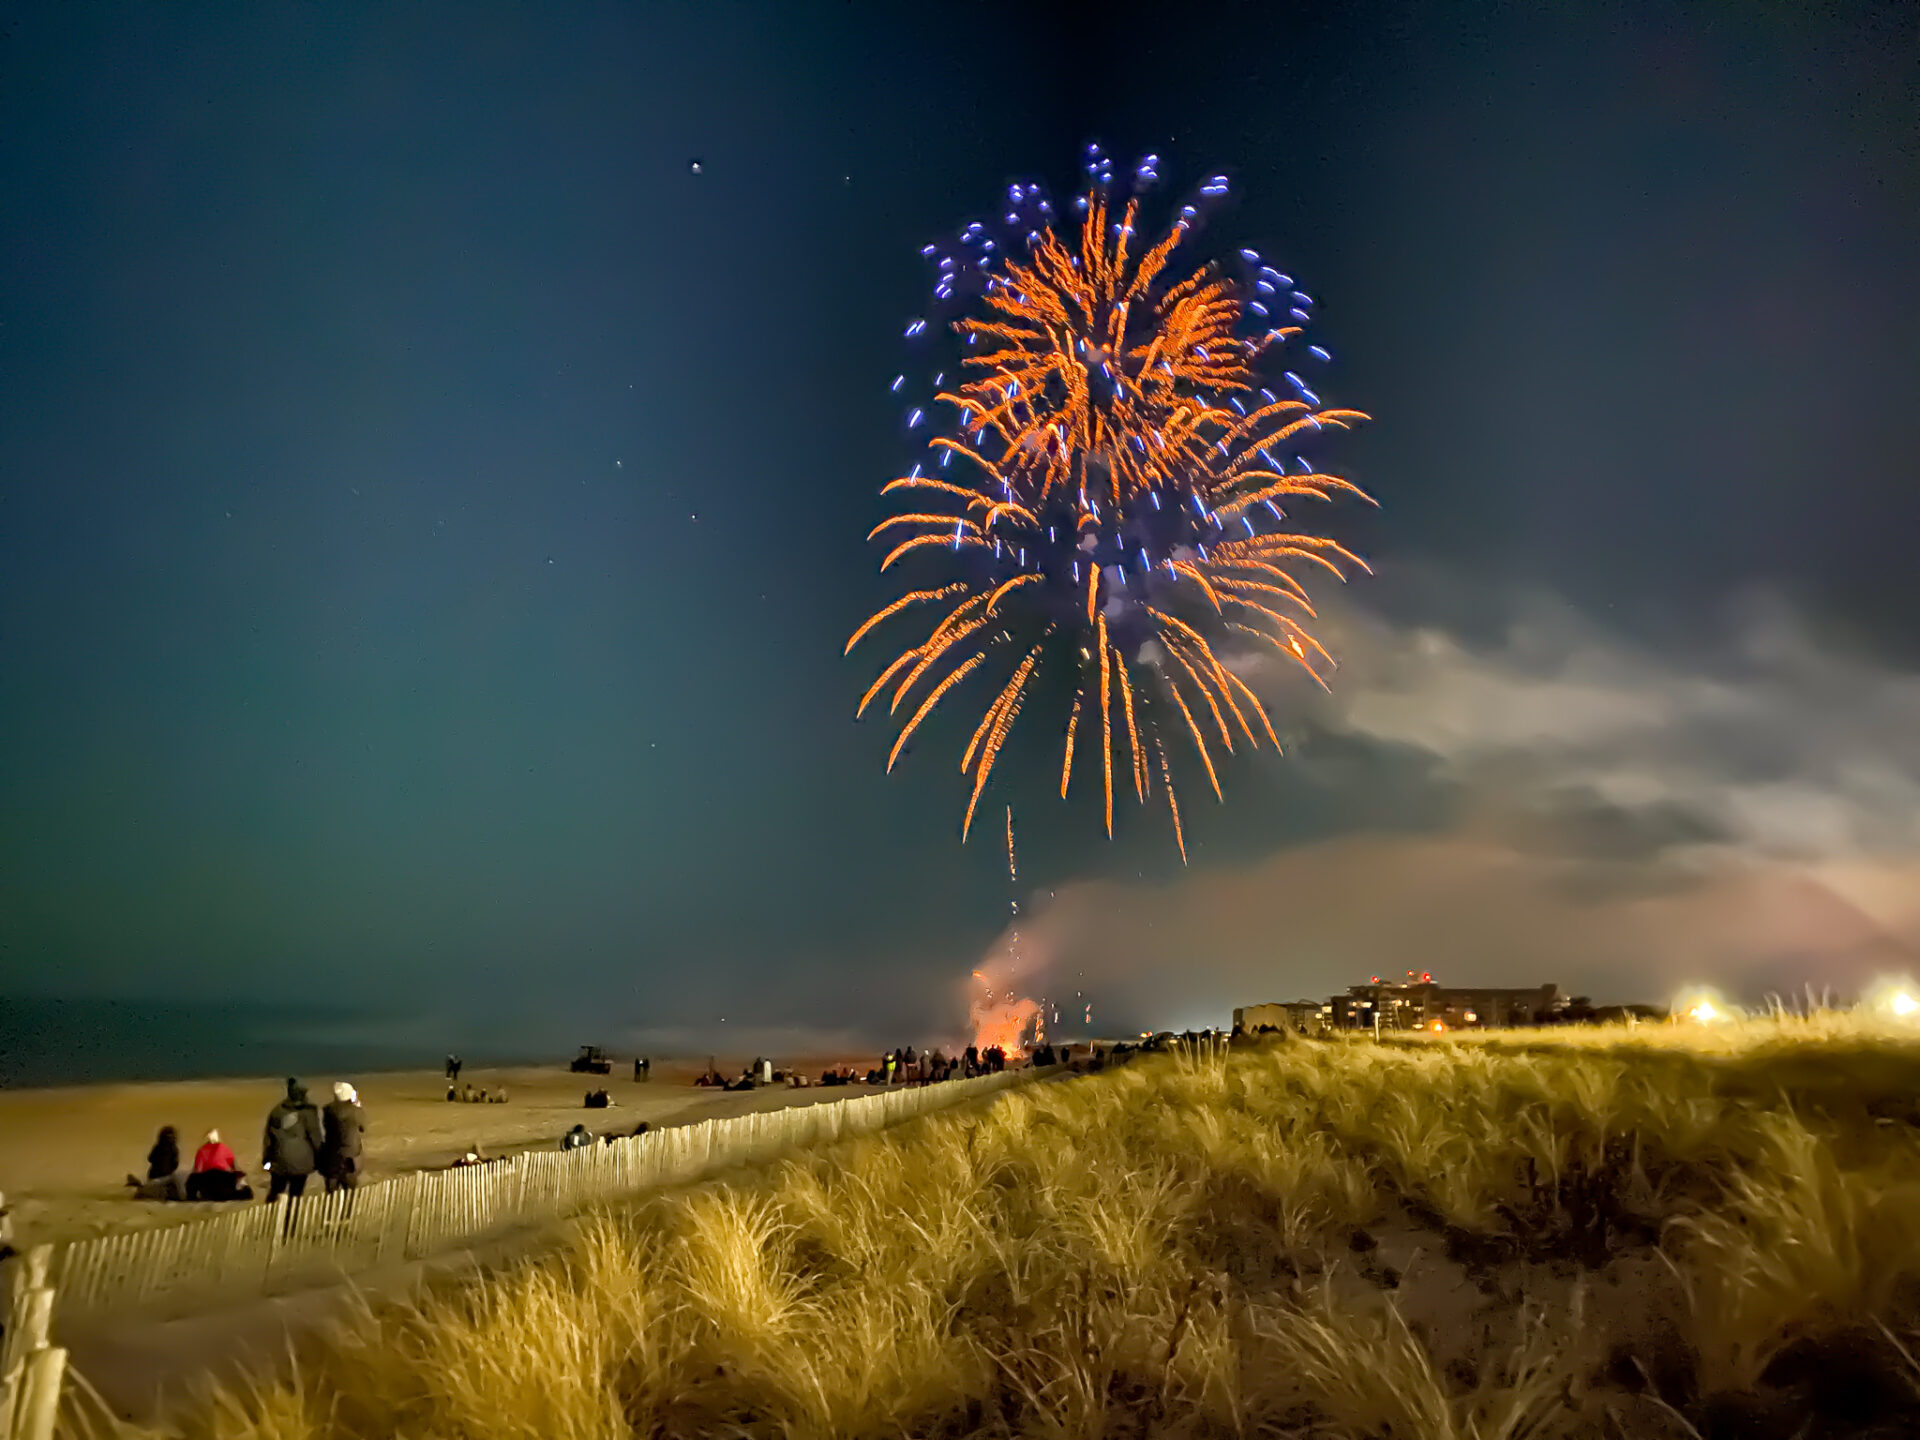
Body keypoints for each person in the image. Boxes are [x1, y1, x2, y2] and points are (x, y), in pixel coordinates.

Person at [262, 1077, 324, 1200]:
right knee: (296, 1193)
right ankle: (291, 1217)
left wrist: (267, 1159)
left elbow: (268, 1138)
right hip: (301, 1160)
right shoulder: (309, 1112)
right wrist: (321, 1158)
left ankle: (272, 1215)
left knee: (276, 1189)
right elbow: (315, 1137)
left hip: (279, 1159)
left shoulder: (277, 1111)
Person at [321, 1081, 365, 1193]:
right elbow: (363, 1127)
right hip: (351, 1158)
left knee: (331, 1193)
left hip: (332, 1156)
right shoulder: (355, 1111)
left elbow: (326, 1126)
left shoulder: (328, 1110)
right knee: (350, 1192)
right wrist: (357, 1105)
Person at [186, 1130, 252, 1201]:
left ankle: (191, 1197)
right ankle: (242, 1192)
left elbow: (197, 1169)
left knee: (192, 1178)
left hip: (207, 1180)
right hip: (223, 1178)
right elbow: (233, 1167)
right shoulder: (225, 1148)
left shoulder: (202, 1150)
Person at [127, 1125, 185, 1201]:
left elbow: (150, 1159)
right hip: (165, 1177)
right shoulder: (173, 1149)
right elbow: (175, 1164)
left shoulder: (158, 1147)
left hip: (155, 1176)